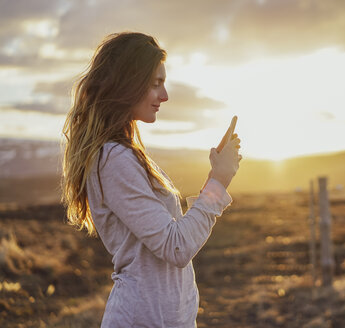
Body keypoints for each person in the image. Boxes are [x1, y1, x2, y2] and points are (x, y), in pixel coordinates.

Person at [60, 32, 242, 327]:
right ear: (128, 82)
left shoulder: (124, 155)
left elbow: (169, 239)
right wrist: (218, 183)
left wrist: (214, 177)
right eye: (156, 84)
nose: (165, 95)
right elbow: (176, 246)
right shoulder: (114, 159)